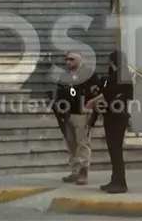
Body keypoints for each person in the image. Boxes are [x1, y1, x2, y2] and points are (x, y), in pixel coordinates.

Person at [86, 50, 134, 194]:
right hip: (116, 116)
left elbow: (107, 95)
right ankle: (116, 180)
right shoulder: (123, 76)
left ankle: (120, 182)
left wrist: (92, 101)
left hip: (116, 118)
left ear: (112, 61)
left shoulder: (118, 77)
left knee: (115, 150)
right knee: (114, 150)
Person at [54, 51, 100, 185]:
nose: (68, 62)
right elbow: (60, 93)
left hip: (82, 114)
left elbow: (97, 93)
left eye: (71, 59)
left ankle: (83, 171)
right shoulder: (64, 75)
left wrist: (91, 107)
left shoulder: (89, 74)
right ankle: (75, 171)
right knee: (71, 144)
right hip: (67, 114)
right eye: (67, 59)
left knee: (83, 144)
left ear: (79, 60)